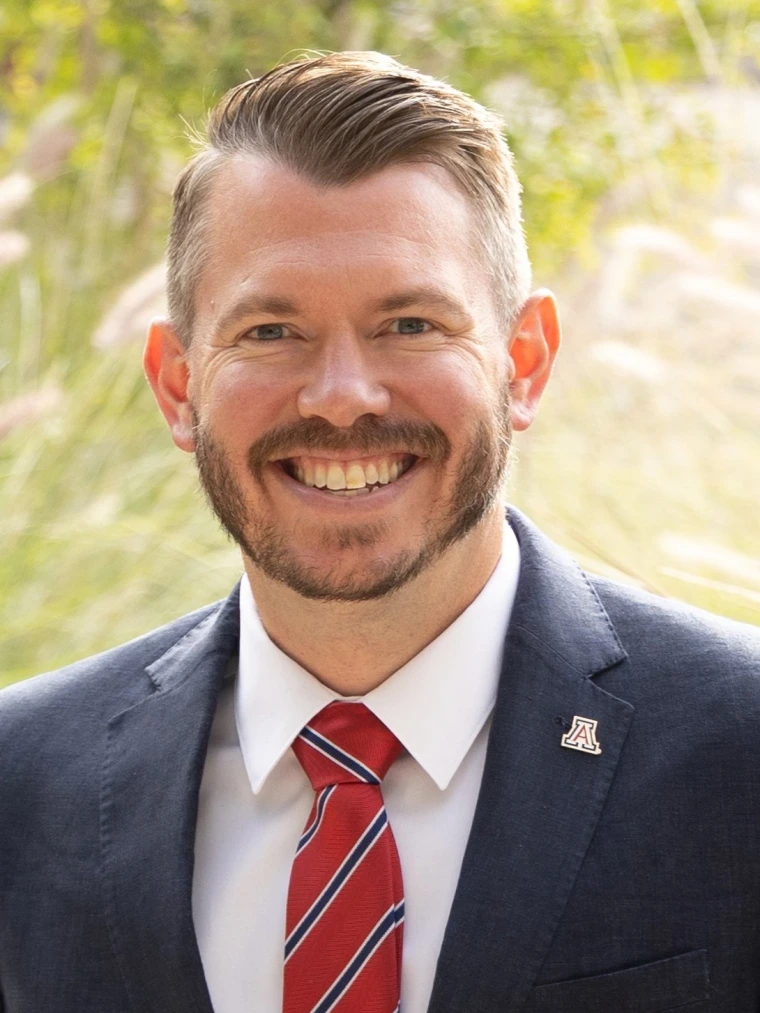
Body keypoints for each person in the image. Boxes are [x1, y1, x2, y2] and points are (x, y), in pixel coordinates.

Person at [1, 50, 759, 1013]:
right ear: (178, 384)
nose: (343, 398)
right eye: (271, 333)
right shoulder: (20, 787)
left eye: (409, 324)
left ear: (523, 362)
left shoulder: (739, 753)